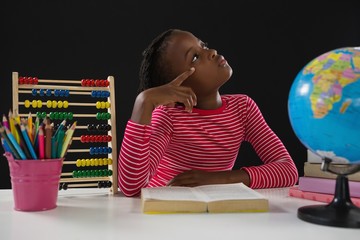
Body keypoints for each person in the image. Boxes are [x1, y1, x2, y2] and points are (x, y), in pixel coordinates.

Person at [118, 29, 298, 197]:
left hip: (213, 207)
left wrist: (215, 179)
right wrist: (144, 101)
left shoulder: (243, 109)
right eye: (195, 57)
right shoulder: (168, 116)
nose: (211, 51)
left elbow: (288, 171)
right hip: (166, 210)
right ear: (177, 85)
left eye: (202, 45)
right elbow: (131, 187)